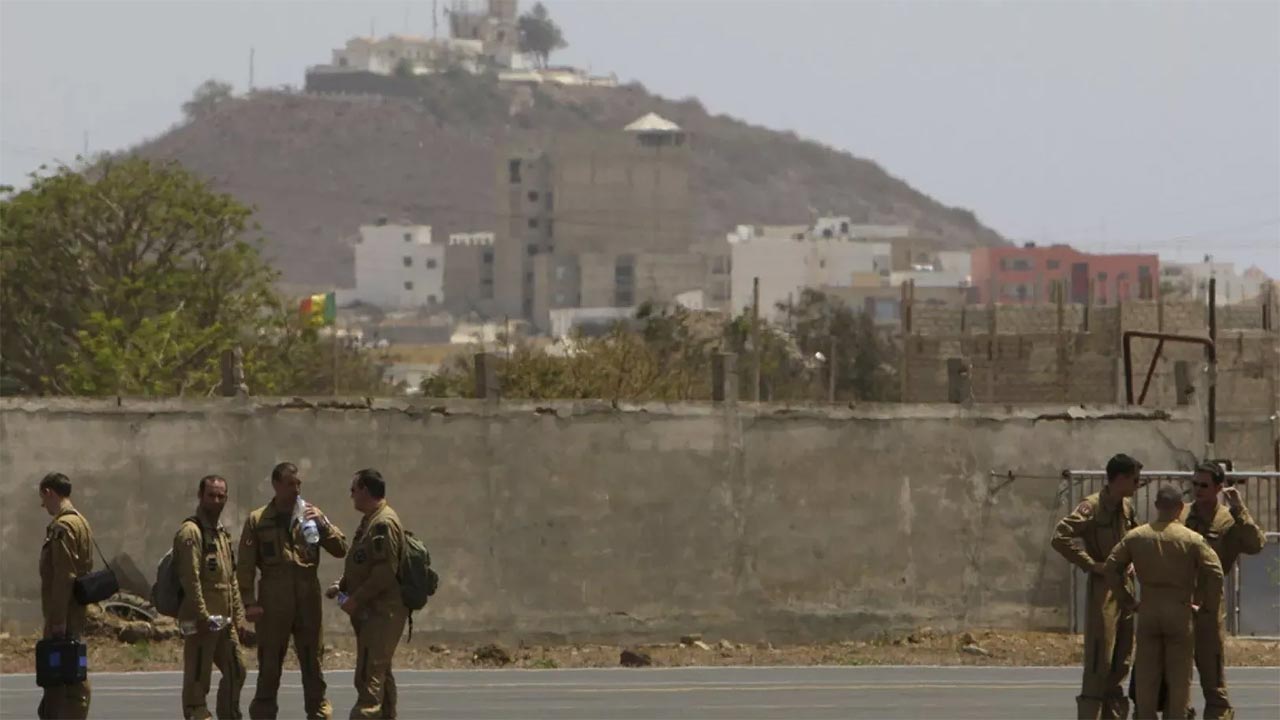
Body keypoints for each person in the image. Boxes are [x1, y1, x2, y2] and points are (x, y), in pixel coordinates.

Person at [1104, 485, 1224, 720]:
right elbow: (1216, 572)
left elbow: (1111, 567)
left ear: (1157, 506)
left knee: (1147, 676)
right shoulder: (1191, 539)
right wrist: (1205, 606)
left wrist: (1127, 599)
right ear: (1180, 508)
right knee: (1179, 678)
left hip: (1148, 608)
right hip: (1180, 609)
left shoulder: (1137, 536)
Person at [239, 462, 348, 720]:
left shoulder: (310, 515)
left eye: (298, 483)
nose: (296, 489)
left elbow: (341, 548)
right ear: (276, 485)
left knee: (313, 663)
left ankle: (319, 713)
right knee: (269, 665)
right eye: (290, 484)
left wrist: (322, 523)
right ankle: (264, 714)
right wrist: (249, 602)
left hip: (307, 597)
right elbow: (245, 565)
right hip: (273, 599)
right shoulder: (258, 520)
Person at [1052, 453, 1142, 720]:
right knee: (1099, 659)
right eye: (1135, 480)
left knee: (1121, 658)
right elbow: (1060, 536)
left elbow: (1134, 538)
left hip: (1125, 587)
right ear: (1121, 478)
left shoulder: (1127, 508)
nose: (1138, 485)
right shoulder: (1092, 506)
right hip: (1104, 588)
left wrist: (1134, 561)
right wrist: (1091, 564)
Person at [1180, 461, 1266, 720]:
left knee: (1214, 680)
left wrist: (1239, 509)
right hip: (1178, 600)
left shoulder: (1229, 520)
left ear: (1219, 487)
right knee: (1174, 680)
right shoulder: (1181, 514)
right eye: (1194, 484)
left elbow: (1255, 544)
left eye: (1204, 485)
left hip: (1208, 603)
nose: (1197, 490)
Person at [326, 468, 406, 720]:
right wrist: (342, 586)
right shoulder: (370, 521)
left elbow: (384, 572)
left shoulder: (383, 523)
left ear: (365, 490)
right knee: (381, 674)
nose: (351, 496)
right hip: (370, 613)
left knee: (368, 679)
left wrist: (356, 599)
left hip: (381, 613)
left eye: (353, 490)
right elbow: (363, 563)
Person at [177, 475, 249, 720]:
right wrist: (202, 616)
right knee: (198, 683)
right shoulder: (191, 532)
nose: (216, 500)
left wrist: (238, 617)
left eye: (221, 496)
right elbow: (191, 580)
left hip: (224, 622)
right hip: (202, 624)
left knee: (237, 670)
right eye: (211, 495)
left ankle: (229, 715)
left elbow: (231, 579)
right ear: (200, 496)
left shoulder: (221, 534)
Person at [36, 472, 94, 720]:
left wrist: (57, 619)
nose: (43, 505)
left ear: (49, 492)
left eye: (43, 498)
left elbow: (64, 575)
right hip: (75, 610)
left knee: (62, 676)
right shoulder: (81, 521)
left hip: (64, 613)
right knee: (71, 671)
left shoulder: (63, 526)